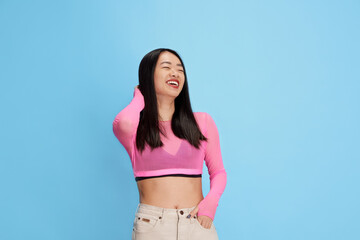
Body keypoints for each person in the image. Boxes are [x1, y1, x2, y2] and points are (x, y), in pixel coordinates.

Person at [112, 48, 227, 240]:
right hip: (153, 227)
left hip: (197, 223)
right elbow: (123, 123)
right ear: (149, 75)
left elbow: (218, 172)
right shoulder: (136, 129)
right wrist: (140, 98)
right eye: (166, 67)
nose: (175, 73)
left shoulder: (202, 122)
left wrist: (212, 201)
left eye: (180, 69)